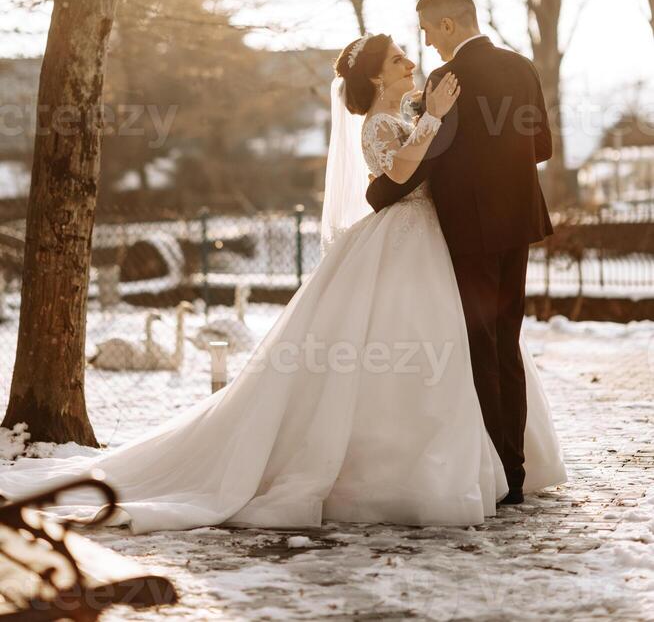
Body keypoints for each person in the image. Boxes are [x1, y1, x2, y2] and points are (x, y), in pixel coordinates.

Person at [0, 29, 565, 534]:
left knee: (451, 347)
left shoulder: (411, 113)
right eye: (397, 60)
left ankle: (473, 459)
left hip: (433, 240)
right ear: (375, 75)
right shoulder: (377, 126)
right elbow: (397, 175)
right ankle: (397, 472)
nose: (409, 63)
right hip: (401, 240)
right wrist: (436, 117)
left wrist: (435, 116)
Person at [367, 0, 555, 504]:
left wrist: (379, 190)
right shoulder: (521, 66)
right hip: (517, 221)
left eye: (428, 31)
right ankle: (513, 471)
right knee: (505, 342)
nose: (426, 43)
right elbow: (542, 144)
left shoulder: (445, 79)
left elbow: (428, 158)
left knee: (480, 348)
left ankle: (496, 472)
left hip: (470, 229)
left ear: (449, 25)